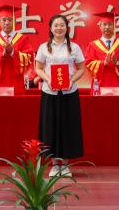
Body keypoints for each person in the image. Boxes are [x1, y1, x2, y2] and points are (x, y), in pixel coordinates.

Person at [33, 14, 86, 176]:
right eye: (56, 25)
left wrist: (71, 80)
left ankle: (65, 165)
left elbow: (81, 69)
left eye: (62, 25)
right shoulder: (44, 47)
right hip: (50, 93)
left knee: (68, 127)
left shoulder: (74, 47)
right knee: (51, 127)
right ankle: (55, 165)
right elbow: (38, 68)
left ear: (67, 28)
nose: (59, 28)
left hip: (69, 93)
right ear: (50, 28)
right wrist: (48, 79)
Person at [0, 5, 35, 93]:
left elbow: (29, 57)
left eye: (10, 20)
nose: (7, 23)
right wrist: (2, 55)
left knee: (16, 101)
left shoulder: (23, 39)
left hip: (16, 81)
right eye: (4, 20)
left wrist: (13, 52)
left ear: (14, 21)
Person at [83, 11, 119, 92]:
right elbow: (88, 63)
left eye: (110, 24)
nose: (107, 27)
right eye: (104, 24)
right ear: (100, 26)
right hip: (99, 85)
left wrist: (117, 62)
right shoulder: (92, 45)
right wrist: (103, 63)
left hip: (118, 84)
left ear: (114, 26)